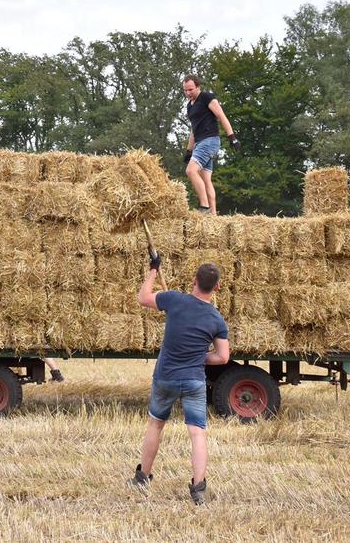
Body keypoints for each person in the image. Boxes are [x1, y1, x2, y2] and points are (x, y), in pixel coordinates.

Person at [129, 256, 230, 505]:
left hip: (166, 377)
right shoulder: (216, 319)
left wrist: (153, 271)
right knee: (197, 433)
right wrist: (198, 357)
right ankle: (198, 488)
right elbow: (223, 357)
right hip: (194, 380)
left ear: (194, 281)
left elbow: (143, 298)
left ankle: (142, 478)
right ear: (217, 287)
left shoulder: (174, 299)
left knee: (155, 425)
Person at [182, 75, 239, 214]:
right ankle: (213, 215)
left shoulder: (207, 97)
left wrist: (232, 137)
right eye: (185, 90)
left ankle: (204, 207)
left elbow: (221, 115)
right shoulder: (190, 106)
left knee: (190, 171)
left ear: (198, 87)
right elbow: (193, 129)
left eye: (191, 89)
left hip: (209, 141)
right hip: (199, 143)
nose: (188, 93)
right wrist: (189, 150)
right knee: (205, 179)